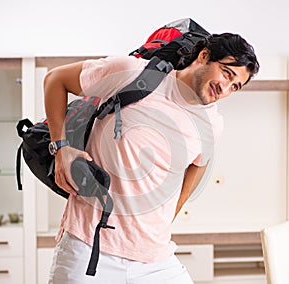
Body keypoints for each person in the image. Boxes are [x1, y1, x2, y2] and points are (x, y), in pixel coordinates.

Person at [45, 33, 259, 284]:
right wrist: (61, 148)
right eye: (226, 73)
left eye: (235, 86)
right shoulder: (131, 73)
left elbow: (194, 172)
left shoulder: (212, 124)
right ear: (204, 56)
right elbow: (55, 80)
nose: (225, 88)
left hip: (155, 259)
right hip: (88, 249)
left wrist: (160, 223)